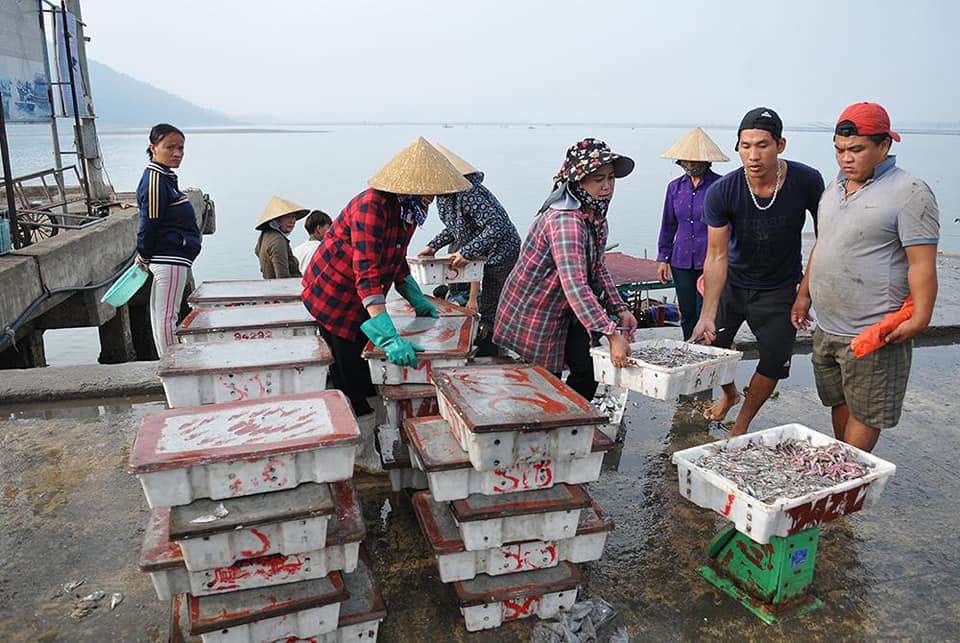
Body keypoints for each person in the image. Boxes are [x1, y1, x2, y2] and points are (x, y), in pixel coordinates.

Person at [301, 137, 470, 471]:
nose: (431, 198)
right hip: (333, 296)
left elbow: (393, 260)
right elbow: (366, 273)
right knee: (352, 377)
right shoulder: (371, 207)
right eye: (427, 191)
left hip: (362, 300)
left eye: (434, 192)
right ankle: (361, 454)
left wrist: (414, 295)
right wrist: (389, 337)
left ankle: (374, 435)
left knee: (365, 372)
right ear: (405, 185)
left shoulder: (409, 212)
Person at [793, 103, 939, 452]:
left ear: (884, 146)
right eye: (840, 150)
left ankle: (845, 484)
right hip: (828, 328)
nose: (846, 158)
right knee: (838, 401)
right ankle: (842, 473)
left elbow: (922, 263)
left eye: (856, 150)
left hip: (874, 330)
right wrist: (803, 296)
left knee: (867, 411)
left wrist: (920, 317)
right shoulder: (834, 188)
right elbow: (823, 245)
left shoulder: (910, 192)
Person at [691, 108, 824, 436]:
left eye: (762, 145)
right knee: (710, 349)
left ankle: (741, 424)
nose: (753, 155)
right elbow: (717, 255)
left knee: (775, 360)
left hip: (780, 287)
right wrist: (708, 313)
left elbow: (826, 239)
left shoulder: (807, 181)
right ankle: (729, 394)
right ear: (737, 148)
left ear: (781, 144)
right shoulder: (722, 191)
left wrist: (803, 294)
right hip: (733, 282)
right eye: (745, 146)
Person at [494, 138, 639, 401]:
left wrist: (621, 309)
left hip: (568, 309)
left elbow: (598, 268)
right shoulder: (565, 221)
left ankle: (571, 419)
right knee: (544, 382)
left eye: (610, 178)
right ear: (578, 182)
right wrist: (611, 332)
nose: (607, 187)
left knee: (588, 369)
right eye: (598, 180)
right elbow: (576, 285)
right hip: (537, 309)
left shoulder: (594, 216)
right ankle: (549, 426)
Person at [417, 144, 521, 356]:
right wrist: (432, 246)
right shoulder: (444, 197)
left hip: (501, 253)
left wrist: (467, 251)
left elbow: (496, 225)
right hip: (479, 254)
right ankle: (483, 346)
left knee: (491, 305)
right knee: (478, 304)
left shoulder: (468, 192)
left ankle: (491, 353)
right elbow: (456, 228)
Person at [656, 127, 729, 340]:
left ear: (706, 161)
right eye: (685, 161)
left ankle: (707, 347)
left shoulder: (720, 186)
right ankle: (689, 346)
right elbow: (668, 224)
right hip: (681, 261)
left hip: (711, 260)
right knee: (687, 312)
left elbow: (730, 227)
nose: (689, 165)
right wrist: (663, 258)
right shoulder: (674, 188)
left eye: (694, 161)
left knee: (705, 311)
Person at [135, 123, 201, 357]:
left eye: (181, 148)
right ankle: (171, 363)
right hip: (169, 258)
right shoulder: (155, 178)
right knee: (167, 316)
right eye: (170, 147)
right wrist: (143, 254)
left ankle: (167, 360)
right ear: (153, 148)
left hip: (172, 257)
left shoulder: (165, 177)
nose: (177, 153)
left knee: (161, 314)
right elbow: (149, 222)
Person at [254, 196, 308, 279]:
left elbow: (257, 251)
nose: (292, 221)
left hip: (270, 287)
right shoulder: (278, 240)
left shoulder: (265, 236)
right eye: (287, 217)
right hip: (283, 289)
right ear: (277, 219)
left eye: (293, 217)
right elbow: (283, 278)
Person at [293, 209, 333, 274]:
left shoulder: (296, 250)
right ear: (319, 229)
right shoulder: (321, 249)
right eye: (328, 227)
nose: (330, 231)